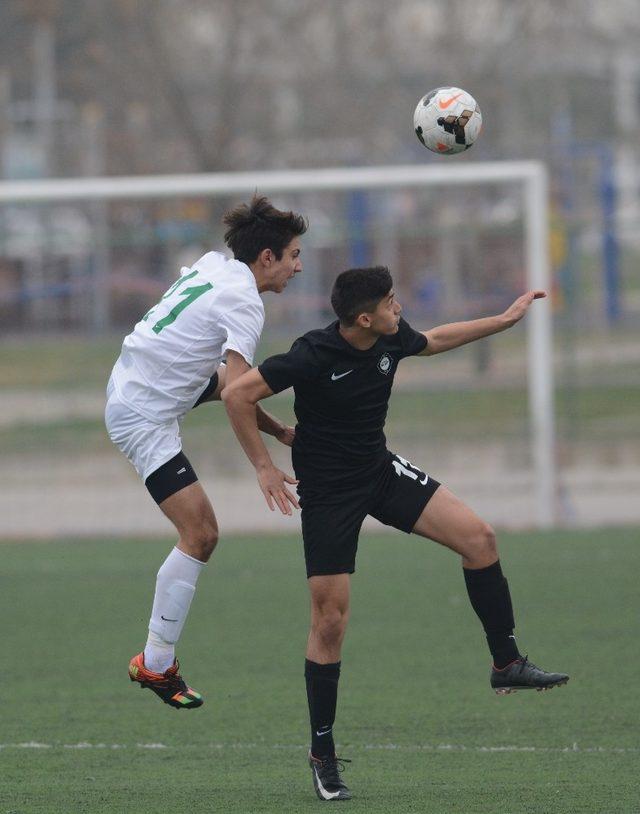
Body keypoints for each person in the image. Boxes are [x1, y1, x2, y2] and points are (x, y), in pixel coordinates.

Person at [222, 266, 569, 801]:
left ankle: (507, 664)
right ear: (365, 318)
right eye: (390, 302)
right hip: (329, 493)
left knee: (480, 540)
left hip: (379, 473)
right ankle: (323, 754)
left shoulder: (390, 338)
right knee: (330, 621)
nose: (398, 307)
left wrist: (504, 320)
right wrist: (267, 466)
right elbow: (237, 395)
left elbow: (435, 340)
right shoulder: (312, 353)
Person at [105, 195, 307, 710]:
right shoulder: (245, 301)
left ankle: (154, 662)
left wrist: (278, 431)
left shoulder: (217, 267)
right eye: (292, 254)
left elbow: (224, 385)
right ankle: (155, 664)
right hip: (141, 413)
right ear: (266, 257)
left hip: (139, 384)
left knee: (202, 528)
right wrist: (264, 466)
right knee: (201, 532)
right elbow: (239, 393)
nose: (297, 266)